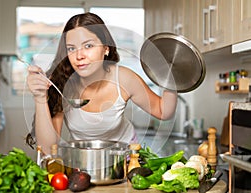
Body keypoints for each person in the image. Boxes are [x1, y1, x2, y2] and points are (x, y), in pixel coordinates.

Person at [26, 12, 177, 154]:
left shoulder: (124, 78)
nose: (79, 56)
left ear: (105, 49)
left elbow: (163, 111)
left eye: (88, 46)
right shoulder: (61, 83)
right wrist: (39, 97)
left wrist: (172, 77)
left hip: (125, 158)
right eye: (71, 48)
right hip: (83, 161)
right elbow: (48, 149)